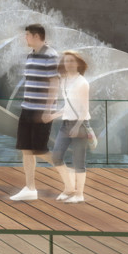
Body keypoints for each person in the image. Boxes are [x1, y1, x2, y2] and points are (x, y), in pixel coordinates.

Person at [10, 23, 61, 202]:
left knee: (39, 150)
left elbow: (54, 84)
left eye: (28, 35)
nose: (25, 38)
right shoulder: (30, 56)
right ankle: (30, 188)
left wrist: (48, 110)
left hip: (41, 112)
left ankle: (69, 176)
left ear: (37, 36)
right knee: (26, 149)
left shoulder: (51, 56)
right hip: (27, 109)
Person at [51, 51, 94, 204]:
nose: (67, 63)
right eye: (65, 61)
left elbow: (84, 109)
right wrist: (53, 115)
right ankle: (69, 188)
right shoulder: (64, 81)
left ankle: (79, 194)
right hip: (65, 124)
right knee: (56, 156)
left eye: (71, 61)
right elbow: (68, 106)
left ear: (78, 64)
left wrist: (76, 127)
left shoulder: (82, 83)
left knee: (78, 161)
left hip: (80, 125)